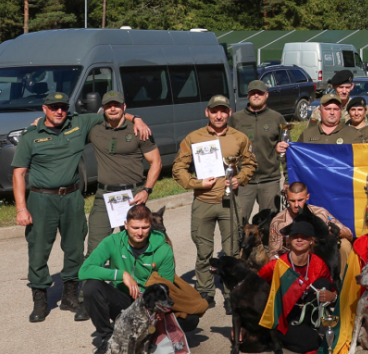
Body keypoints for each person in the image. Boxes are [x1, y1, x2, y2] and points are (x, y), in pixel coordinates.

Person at [12, 88, 150, 323]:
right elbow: (18, 173)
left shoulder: (79, 123)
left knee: (75, 247)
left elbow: (112, 113)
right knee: (38, 250)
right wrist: (21, 208)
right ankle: (40, 300)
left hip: (72, 197)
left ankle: (69, 296)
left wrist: (136, 118)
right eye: (53, 107)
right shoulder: (30, 135)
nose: (59, 111)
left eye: (63, 107)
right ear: (44, 109)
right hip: (41, 198)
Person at [172, 94, 257, 306]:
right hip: (203, 201)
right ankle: (205, 290)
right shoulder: (193, 138)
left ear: (229, 112)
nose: (218, 116)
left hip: (229, 203)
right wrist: (196, 183)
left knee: (231, 250)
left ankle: (231, 293)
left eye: (223, 111)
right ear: (207, 113)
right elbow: (178, 168)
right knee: (203, 250)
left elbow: (250, 164)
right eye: (214, 111)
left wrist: (240, 178)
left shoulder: (239, 138)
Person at [80, 203, 177, 354]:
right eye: (135, 227)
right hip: (123, 303)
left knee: (190, 321)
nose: (140, 233)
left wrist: (157, 306)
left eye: (145, 228)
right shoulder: (112, 241)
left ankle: (144, 337)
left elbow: (167, 285)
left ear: (150, 226)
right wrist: (120, 274)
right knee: (91, 287)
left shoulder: (163, 248)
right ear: (125, 225)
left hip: (149, 306)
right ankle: (107, 340)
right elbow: (84, 270)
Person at [86, 89, 163, 252]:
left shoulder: (139, 130)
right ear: (103, 109)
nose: (113, 109)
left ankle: (135, 277)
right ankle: (92, 278)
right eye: (108, 106)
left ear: (124, 107)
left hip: (133, 195)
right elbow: (68, 121)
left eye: (117, 105)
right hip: (104, 196)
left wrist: (146, 191)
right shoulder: (94, 128)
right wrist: (39, 123)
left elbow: (156, 162)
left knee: (136, 247)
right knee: (95, 248)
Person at [258, 220, 340, 354]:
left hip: (306, 313)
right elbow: (252, 287)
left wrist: (333, 297)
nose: (299, 239)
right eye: (295, 236)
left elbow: (333, 291)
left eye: (305, 236)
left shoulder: (319, 264)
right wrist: (244, 324)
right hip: (285, 317)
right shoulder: (277, 265)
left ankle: (313, 326)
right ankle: (275, 336)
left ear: (312, 241)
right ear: (289, 240)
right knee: (312, 343)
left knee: (323, 285)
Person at [229, 80, 287, 225]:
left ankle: (267, 249)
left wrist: (288, 179)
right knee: (238, 223)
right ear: (248, 95)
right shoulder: (236, 119)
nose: (256, 96)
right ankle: (238, 249)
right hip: (244, 181)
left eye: (259, 93)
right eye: (253, 93)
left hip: (270, 179)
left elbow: (286, 151)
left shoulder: (276, 118)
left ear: (266, 95)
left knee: (270, 225)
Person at [266, 180, 355, 255]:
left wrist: (336, 232)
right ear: (286, 198)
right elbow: (274, 253)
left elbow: (349, 234)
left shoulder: (320, 213)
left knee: (345, 245)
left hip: (320, 257)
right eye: (292, 201)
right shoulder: (279, 222)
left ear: (307, 197)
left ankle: (340, 276)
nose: (296, 205)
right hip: (293, 260)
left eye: (300, 200)